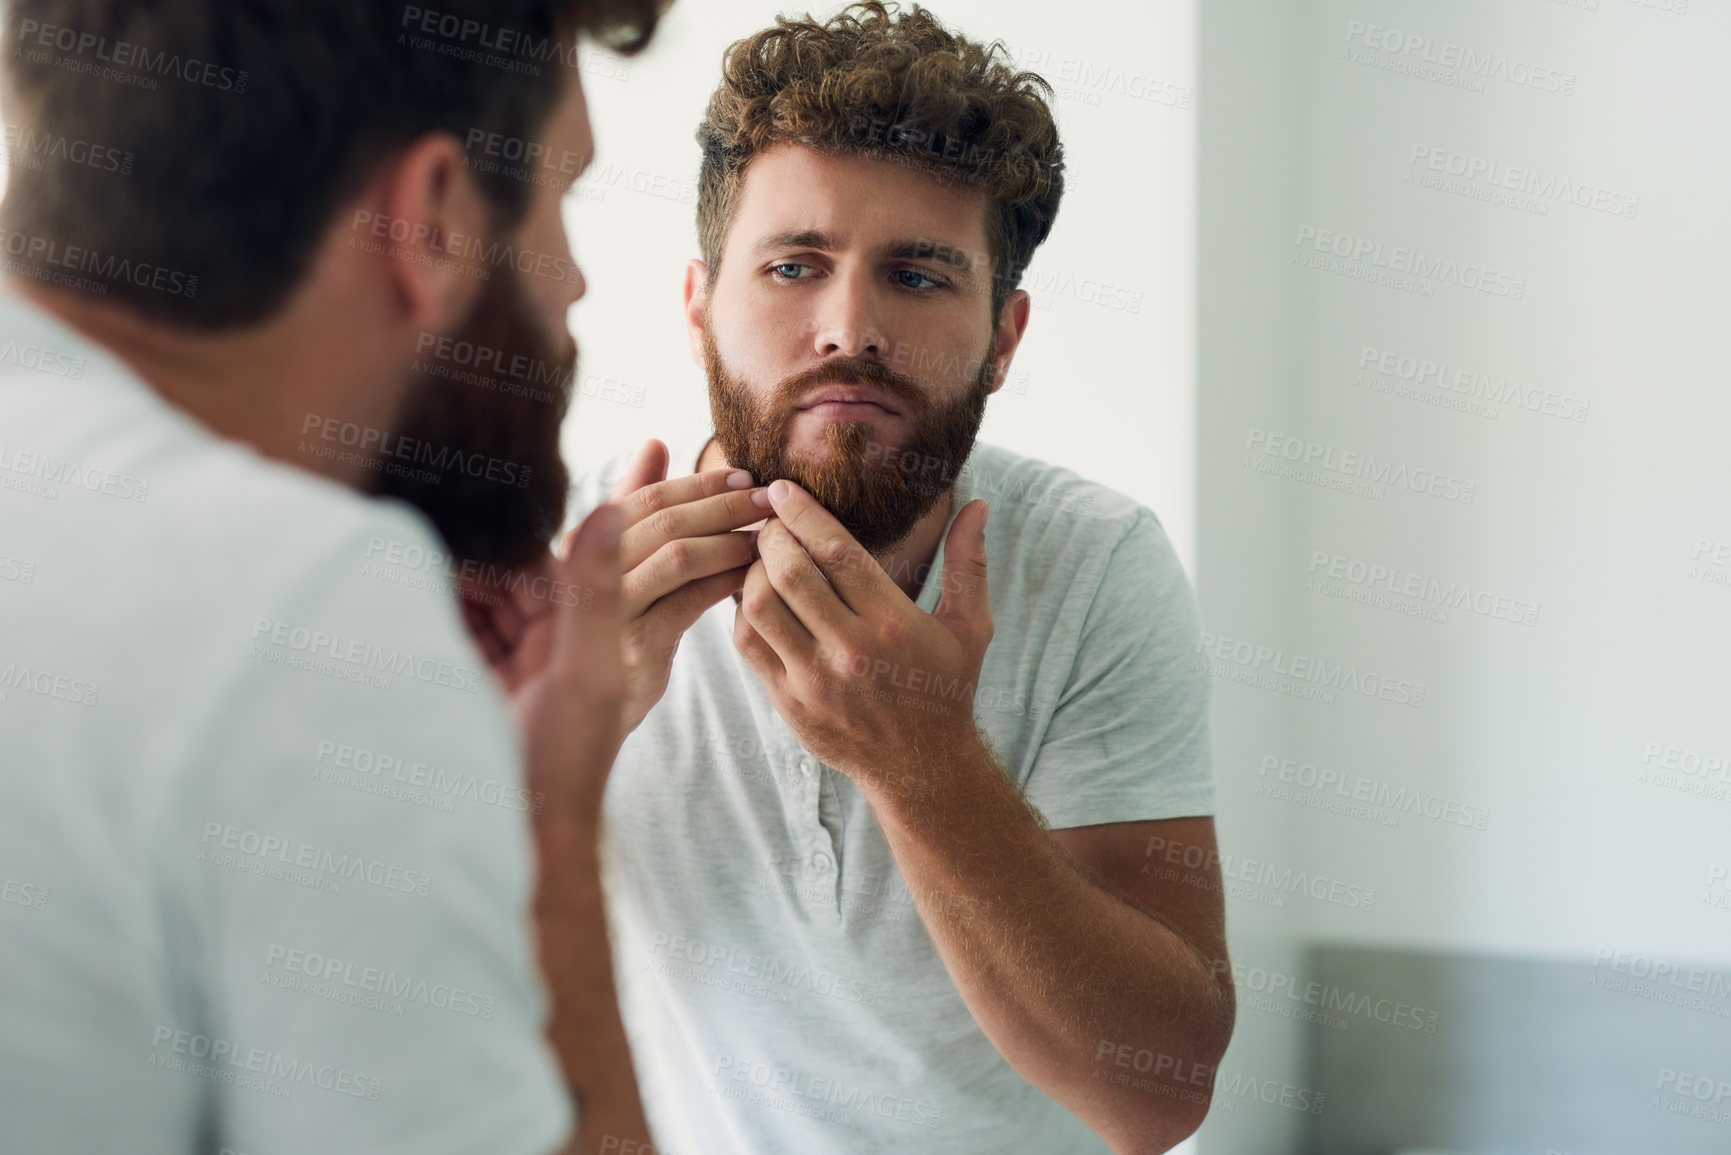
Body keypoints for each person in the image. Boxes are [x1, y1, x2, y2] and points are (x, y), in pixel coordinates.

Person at [0, 2, 668, 1152]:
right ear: (437, 217)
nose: (573, 285)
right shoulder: (307, 608)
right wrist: (549, 837)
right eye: (563, 196)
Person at [568, 4, 1236, 1152]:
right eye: (792, 266)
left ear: (1006, 336)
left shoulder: (1094, 564)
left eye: (918, 277)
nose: (848, 328)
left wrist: (921, 761)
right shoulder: (563, 554)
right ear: (698, 309)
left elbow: (1158, 1095)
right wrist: (563, 738)